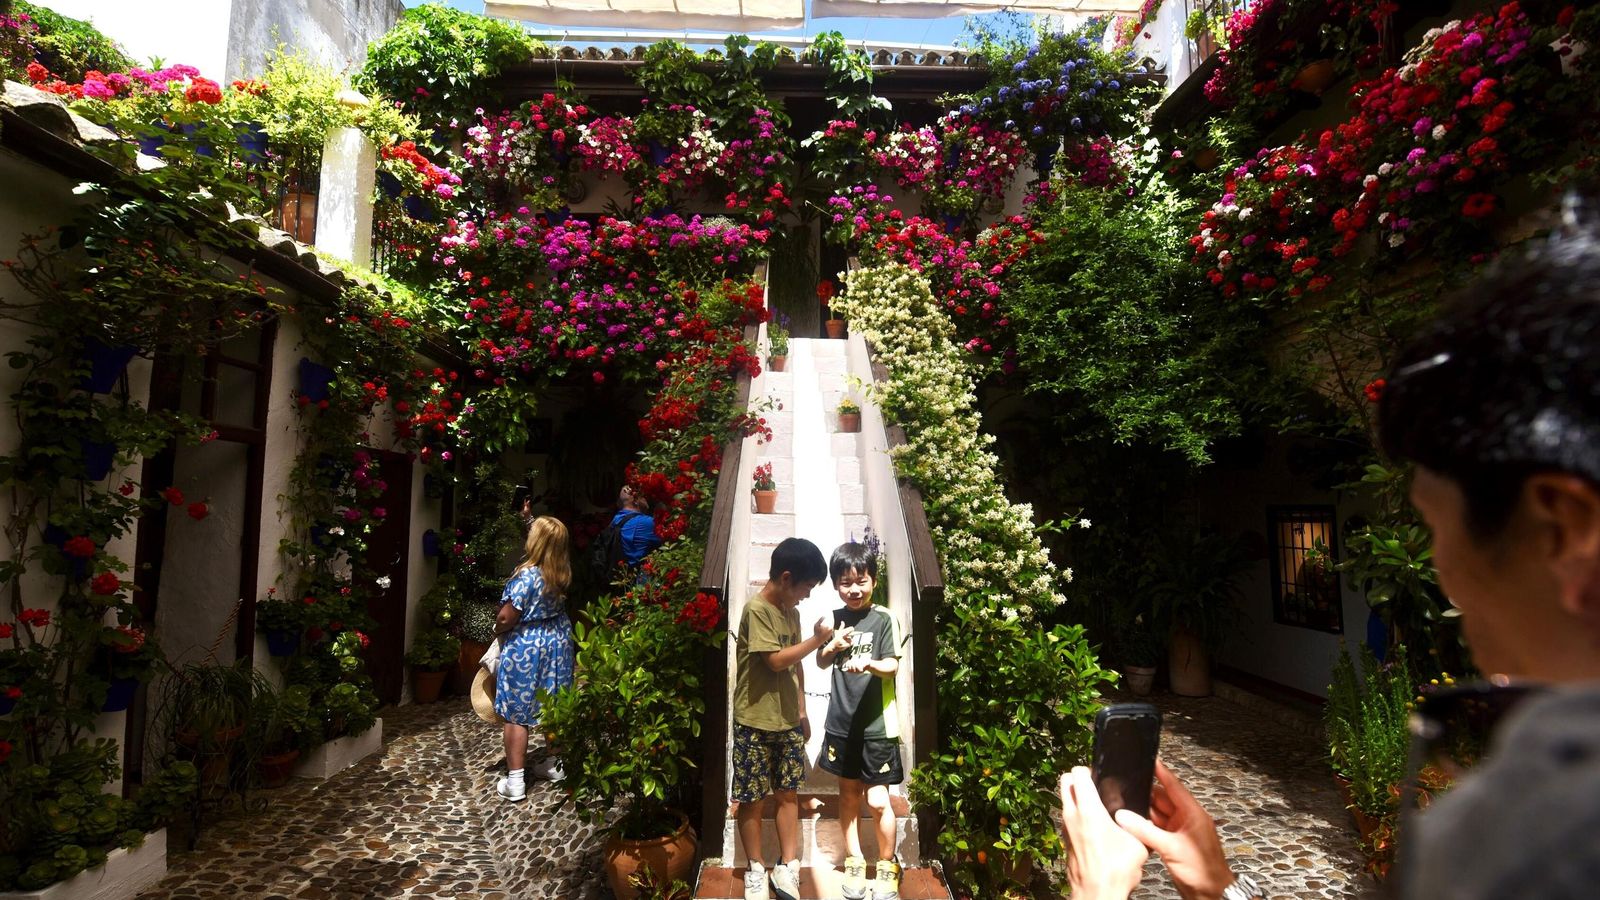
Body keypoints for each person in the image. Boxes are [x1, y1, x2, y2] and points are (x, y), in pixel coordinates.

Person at [1058, 197, 1600, 899]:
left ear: (1561, 527)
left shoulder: (1540, 830)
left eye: (1438, 527)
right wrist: (1219, 892)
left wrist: (1094, 896)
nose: (1441, 571)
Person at [733, 537, 832, 900]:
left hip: (787, 720)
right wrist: (817, 640)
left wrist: (802, 709)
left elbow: (795, 666)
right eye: (806, 587)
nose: (806, 596)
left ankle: (787, 866)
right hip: (754, 722)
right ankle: (755, 868)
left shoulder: (792, 611)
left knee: (788, 794)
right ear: (787, 578)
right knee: (752, 798)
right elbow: (775, 661)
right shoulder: (756, 610)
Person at [815, 541, 903, 900]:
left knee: (879, 800)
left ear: (873, 580)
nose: (854, 589)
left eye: (861, 581)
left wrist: (867, 663)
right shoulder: (835, 619)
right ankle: (854, 860)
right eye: (845, 582)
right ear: (836, 584)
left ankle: (887, 864)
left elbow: (892, 665)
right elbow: (821, 662)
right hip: (841, 722)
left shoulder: (883, 618)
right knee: (848, 795)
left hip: (877, 725)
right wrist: (831, 647)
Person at [493, 515, 576, 802]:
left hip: (528, 646)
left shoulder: (527, 576)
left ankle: (515, 780)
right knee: (554, 701)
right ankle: (555, 764)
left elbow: (507, 616)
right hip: (558, 642)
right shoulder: (561, 572)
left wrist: (497, 628)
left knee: (517, 709)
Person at [613, 485, 662, 568]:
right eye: (642, 496)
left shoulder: (616, 519)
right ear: (635, 501)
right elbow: (669, 538)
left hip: (621, 574)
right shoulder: (645, 522)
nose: (646, 498)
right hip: (640, 576)